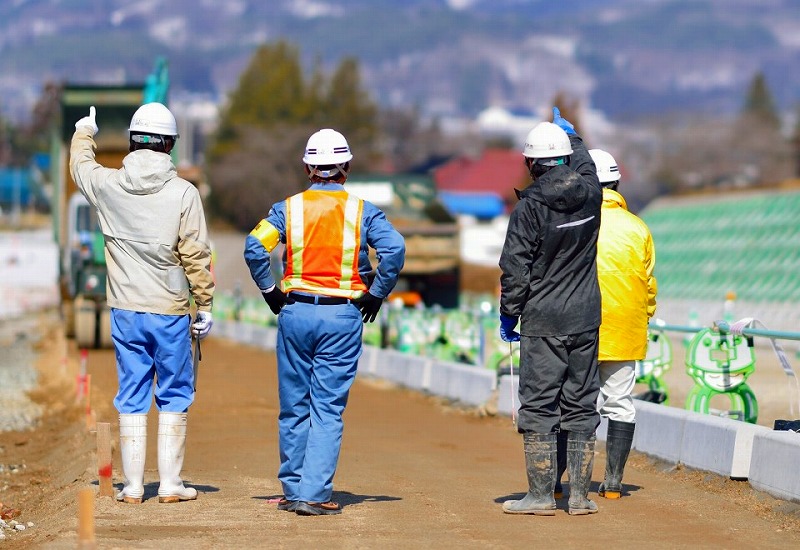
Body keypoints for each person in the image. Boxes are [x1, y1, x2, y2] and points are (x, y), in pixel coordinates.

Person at [244, 128, 405, 516]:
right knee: (327, 407)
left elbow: (254, 247)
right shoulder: (363, 211)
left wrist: (269, 290)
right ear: (346, 167)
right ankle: (315, 494)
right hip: (342, 315)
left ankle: (293, 489)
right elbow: (395, 248)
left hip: (295, 312)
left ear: (307, 167)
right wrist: (377, 292)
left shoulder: (288, 210)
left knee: (294, 405)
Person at [71, 103, 215, 504]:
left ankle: (133, 487)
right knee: (174, 392)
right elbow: (196, 255)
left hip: (125, 311)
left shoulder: (109, 186)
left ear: (134, 142)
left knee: (131, 392)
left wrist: (85, 132)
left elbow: (81, 167)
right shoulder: (184, 193)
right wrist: (203, 303)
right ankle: (170, 484)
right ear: (169, 145)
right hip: (168, 310)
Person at [498, 107, 603, 516]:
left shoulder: (529, 210)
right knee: (581, 402)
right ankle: (578, 497)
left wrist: (510, 314)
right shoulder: (592, 195)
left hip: (543, 321)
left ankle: (542, 496)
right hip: (586, 316)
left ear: (530, 164)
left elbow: (515, 268)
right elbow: (587, 166)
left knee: (540, 405)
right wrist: (572, 137)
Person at [586, 148, 657, 498]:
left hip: (580, 327)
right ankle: (613, 483)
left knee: (575, 402)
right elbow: (649, 284)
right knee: (620, 401)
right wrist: (641, 317)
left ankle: (559, 483)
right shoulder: (638, 227)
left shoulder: (578, 223)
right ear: (616, 182)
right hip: (625, 328)